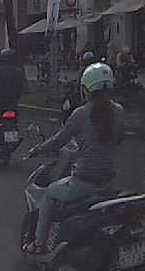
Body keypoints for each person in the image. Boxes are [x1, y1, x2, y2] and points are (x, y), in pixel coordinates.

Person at [25, 63, 125, 255]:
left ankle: (39, 244)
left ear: (85, 89)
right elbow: (118, 138)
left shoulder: (80, 114)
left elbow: (58, 141)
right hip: (108, 181)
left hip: (83, 182)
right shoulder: (119, 110)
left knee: (49, 194)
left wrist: (37, 150)